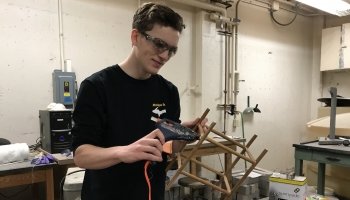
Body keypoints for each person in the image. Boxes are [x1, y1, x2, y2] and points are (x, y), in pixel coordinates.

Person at [72, 2, 203, 200]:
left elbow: (168, 149)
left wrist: (182, 135)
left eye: (171, 50)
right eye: (159, 44)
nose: (165, 56)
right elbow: (82, 155)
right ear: (135, 37)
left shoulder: (168, 91)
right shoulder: (97, 87)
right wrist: (123, 152)